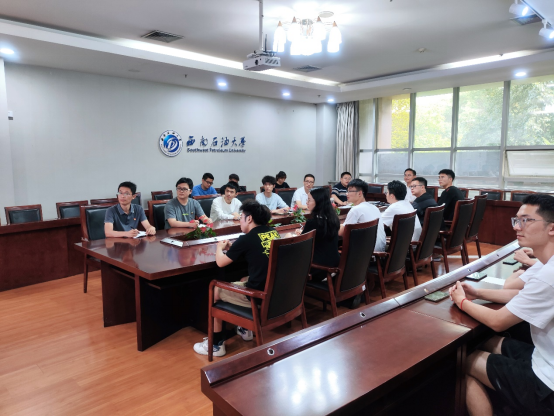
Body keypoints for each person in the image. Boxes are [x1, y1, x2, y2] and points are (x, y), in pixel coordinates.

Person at [448, 194, 554, 416]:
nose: (517, 227)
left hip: (547, 384)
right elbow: (521, 296)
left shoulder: (549, 275)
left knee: (461, 361)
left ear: (551, 228)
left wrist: (461, 301)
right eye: (516, 220)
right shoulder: (547, 264)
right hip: (544, 357)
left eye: (526, 220)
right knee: (487, 341)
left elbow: (498, 321)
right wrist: (477, 293)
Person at [193, 200, 281, 357]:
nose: (240, 220)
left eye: (241, 217)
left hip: (259, 296)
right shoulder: (273, 232)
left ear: (249, 218)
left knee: (216, 290)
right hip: (277, 292)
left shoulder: (246, 238)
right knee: (243, 278)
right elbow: (256, 250)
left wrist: (219, 248)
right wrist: (234, 249)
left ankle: (216, 345)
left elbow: (221, 262)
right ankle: (245, 330)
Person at [293, 187, 340, 282]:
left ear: (318, 202)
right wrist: (304, 233)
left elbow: (302, 245)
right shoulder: (333, 219)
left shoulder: (313, 222)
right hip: (334, 264)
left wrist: (291, 237)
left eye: (309, 200)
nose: (306, 203)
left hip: (319, 268)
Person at [339, 179, 386, 252]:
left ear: (360, 193)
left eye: (350, 191)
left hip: (364, 254)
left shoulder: (356, 210)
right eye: (347, 191)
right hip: (379, 252)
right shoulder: (375, 208)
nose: (346, 194)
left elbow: (342, 232)